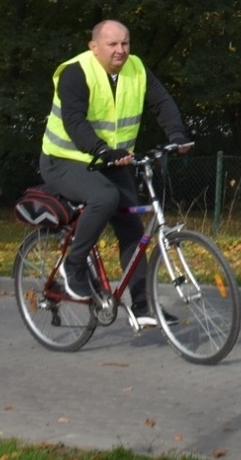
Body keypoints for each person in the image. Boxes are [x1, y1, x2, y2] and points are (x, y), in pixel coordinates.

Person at [39, 20, 193, 325]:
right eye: (112, 44)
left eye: (125, 43)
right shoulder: (76, 72)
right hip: (64, 160)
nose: (120, 50)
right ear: (93, 46)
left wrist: (177, 136)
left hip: (111, 161)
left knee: (132, 230)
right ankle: (74, 267)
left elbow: (162, 101)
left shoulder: (136, 68)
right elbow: (74, 121)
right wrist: (102, 150)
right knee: (104, 197)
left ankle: (142, 306)